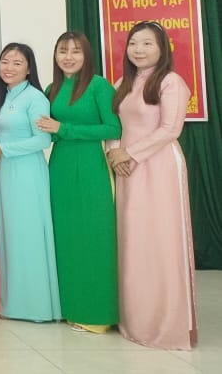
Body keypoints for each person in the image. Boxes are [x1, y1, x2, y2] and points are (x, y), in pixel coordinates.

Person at [107, 21, 196, 349]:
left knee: (160, 241)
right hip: (127, 169)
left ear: (163, 49)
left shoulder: (171, 82)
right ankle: (134, 318)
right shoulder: (123, 83)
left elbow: (170, 129)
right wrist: (114, 154)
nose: (139, 50)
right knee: (133, 241)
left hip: (158, 167)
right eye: (133, 44)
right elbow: (116, 124)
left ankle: (165, 323)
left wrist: (129, 153)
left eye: (147, 44)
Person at [35, 31, 120, 333]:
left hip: (92, 165)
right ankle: (70, 307)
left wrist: (64, 128)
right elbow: (50, 131)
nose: (68, 57)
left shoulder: (99, 86)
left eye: (75, 51)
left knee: (95, 236)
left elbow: (112, 127)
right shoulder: (51, 88)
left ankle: (98, 314)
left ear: (87, 55)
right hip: (60, 165)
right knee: (66, 236)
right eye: (62, 51)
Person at [0, 43, 61, 322]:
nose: (9, 67)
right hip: (2, 170)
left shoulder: (35, 98)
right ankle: (11, 302)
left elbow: (43, 139)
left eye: (17, 63)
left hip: (27, 171)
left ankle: (35, 306)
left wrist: (4, 149)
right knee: (8, 234)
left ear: (29, 68)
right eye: (5, 61)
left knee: (27, 234)